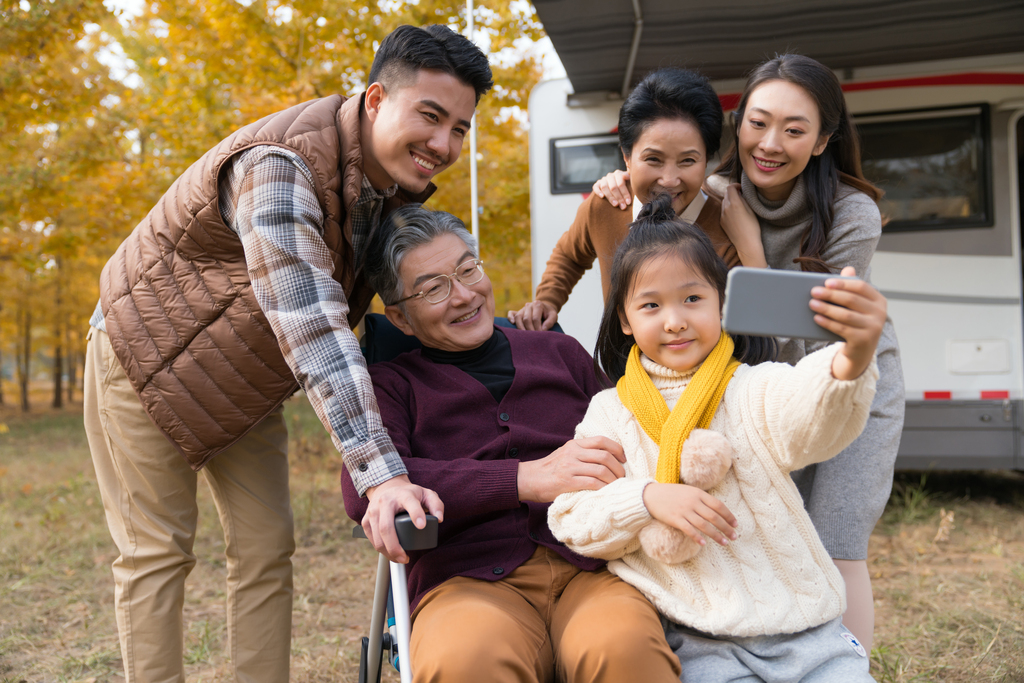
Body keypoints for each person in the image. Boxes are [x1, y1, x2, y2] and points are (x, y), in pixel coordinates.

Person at [83, 25, 491, 682]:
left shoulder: (385, 187)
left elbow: (419, 290)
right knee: (157, 552)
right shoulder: (279, 165)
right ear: (378, 97)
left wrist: (524, 316)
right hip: (142, 359)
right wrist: (382, 474)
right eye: (432, 117)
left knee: (267, 546)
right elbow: (309, 318)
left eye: (461, 130)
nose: (444, 145)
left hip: (243, 376)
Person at [590, 53, 904, 650]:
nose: (771, 143)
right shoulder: (708, 188)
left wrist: (748, 244)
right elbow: (652, 221)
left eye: (795, 129)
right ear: (738, 125)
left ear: (822, 141)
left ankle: (845, 665)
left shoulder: (852, 214)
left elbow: (812, 336)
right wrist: (616, 180)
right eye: (758, 123)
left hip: (843, 374)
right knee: (771, 535)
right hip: (750, 386)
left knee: (837, 539)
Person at [548, 195, 885, 681]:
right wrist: (646, 499)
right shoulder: (609, 411)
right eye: (650, 305)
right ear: (624, 319)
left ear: (720, 302)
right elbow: (572, 514)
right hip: (697, 642)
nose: (675, 320)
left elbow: (808, 410)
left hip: (806, 633)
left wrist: (849, 359)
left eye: (692, 298)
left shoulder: (750, 385)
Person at [342, 204, 683, 683]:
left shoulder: (559, 353)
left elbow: (638, 431)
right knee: (466, 665)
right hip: (466, 581)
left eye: (468, 269)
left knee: (626, 650)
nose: (464, 295)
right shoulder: (391, 386)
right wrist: (525, 479)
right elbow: (365, 483)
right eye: (435, 287)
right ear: (398, 317)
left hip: (590, 564)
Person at [508, 67, 739, 331]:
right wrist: (547, 301)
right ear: (627, 157)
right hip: (620, 370)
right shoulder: (606, 205)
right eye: (653, 159)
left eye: (688, 161)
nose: (669, 179)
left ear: (706, 160)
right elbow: (569, 255)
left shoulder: (726, 224)